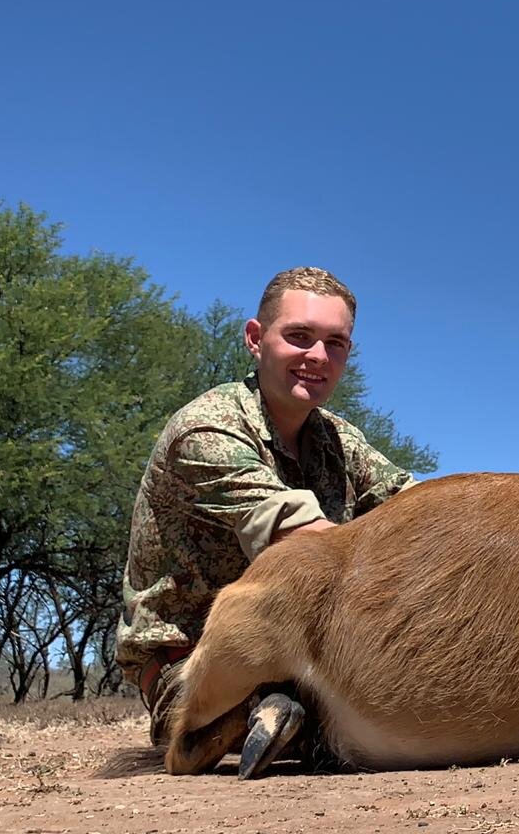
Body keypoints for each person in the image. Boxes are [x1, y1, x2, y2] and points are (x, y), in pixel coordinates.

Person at [116, 266, 416, 772]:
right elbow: (310, 548)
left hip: (307, 653)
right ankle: (237, 724)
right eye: (299, 337)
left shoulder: (342, 441)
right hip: (196, 665)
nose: (317, 357)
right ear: (256, 339)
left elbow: (418, 511)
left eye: (335, 344)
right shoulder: (206, 429)